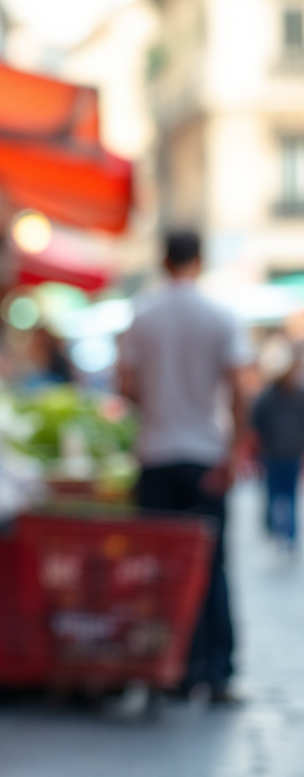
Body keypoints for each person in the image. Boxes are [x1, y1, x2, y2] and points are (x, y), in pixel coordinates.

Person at [119, 231, 254, 703]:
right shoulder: (220, 315)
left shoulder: (144, 314)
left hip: (155, 454)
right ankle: (216, 672)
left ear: (162, 261)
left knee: (159, 569)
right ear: (199, 259)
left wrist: (158, 406)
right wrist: (234, 452)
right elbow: (240, 388)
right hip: (204, 458)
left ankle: (169, 668)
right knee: (212, 564)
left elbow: (126, 385)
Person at [251, 339, 304, 550]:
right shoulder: (269, 396)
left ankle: (283, 533)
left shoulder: (292, 395)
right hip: (278, 453)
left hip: (282, 453)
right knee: (281, 495)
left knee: (281, 495)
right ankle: (281, 533)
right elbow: (256, 425)